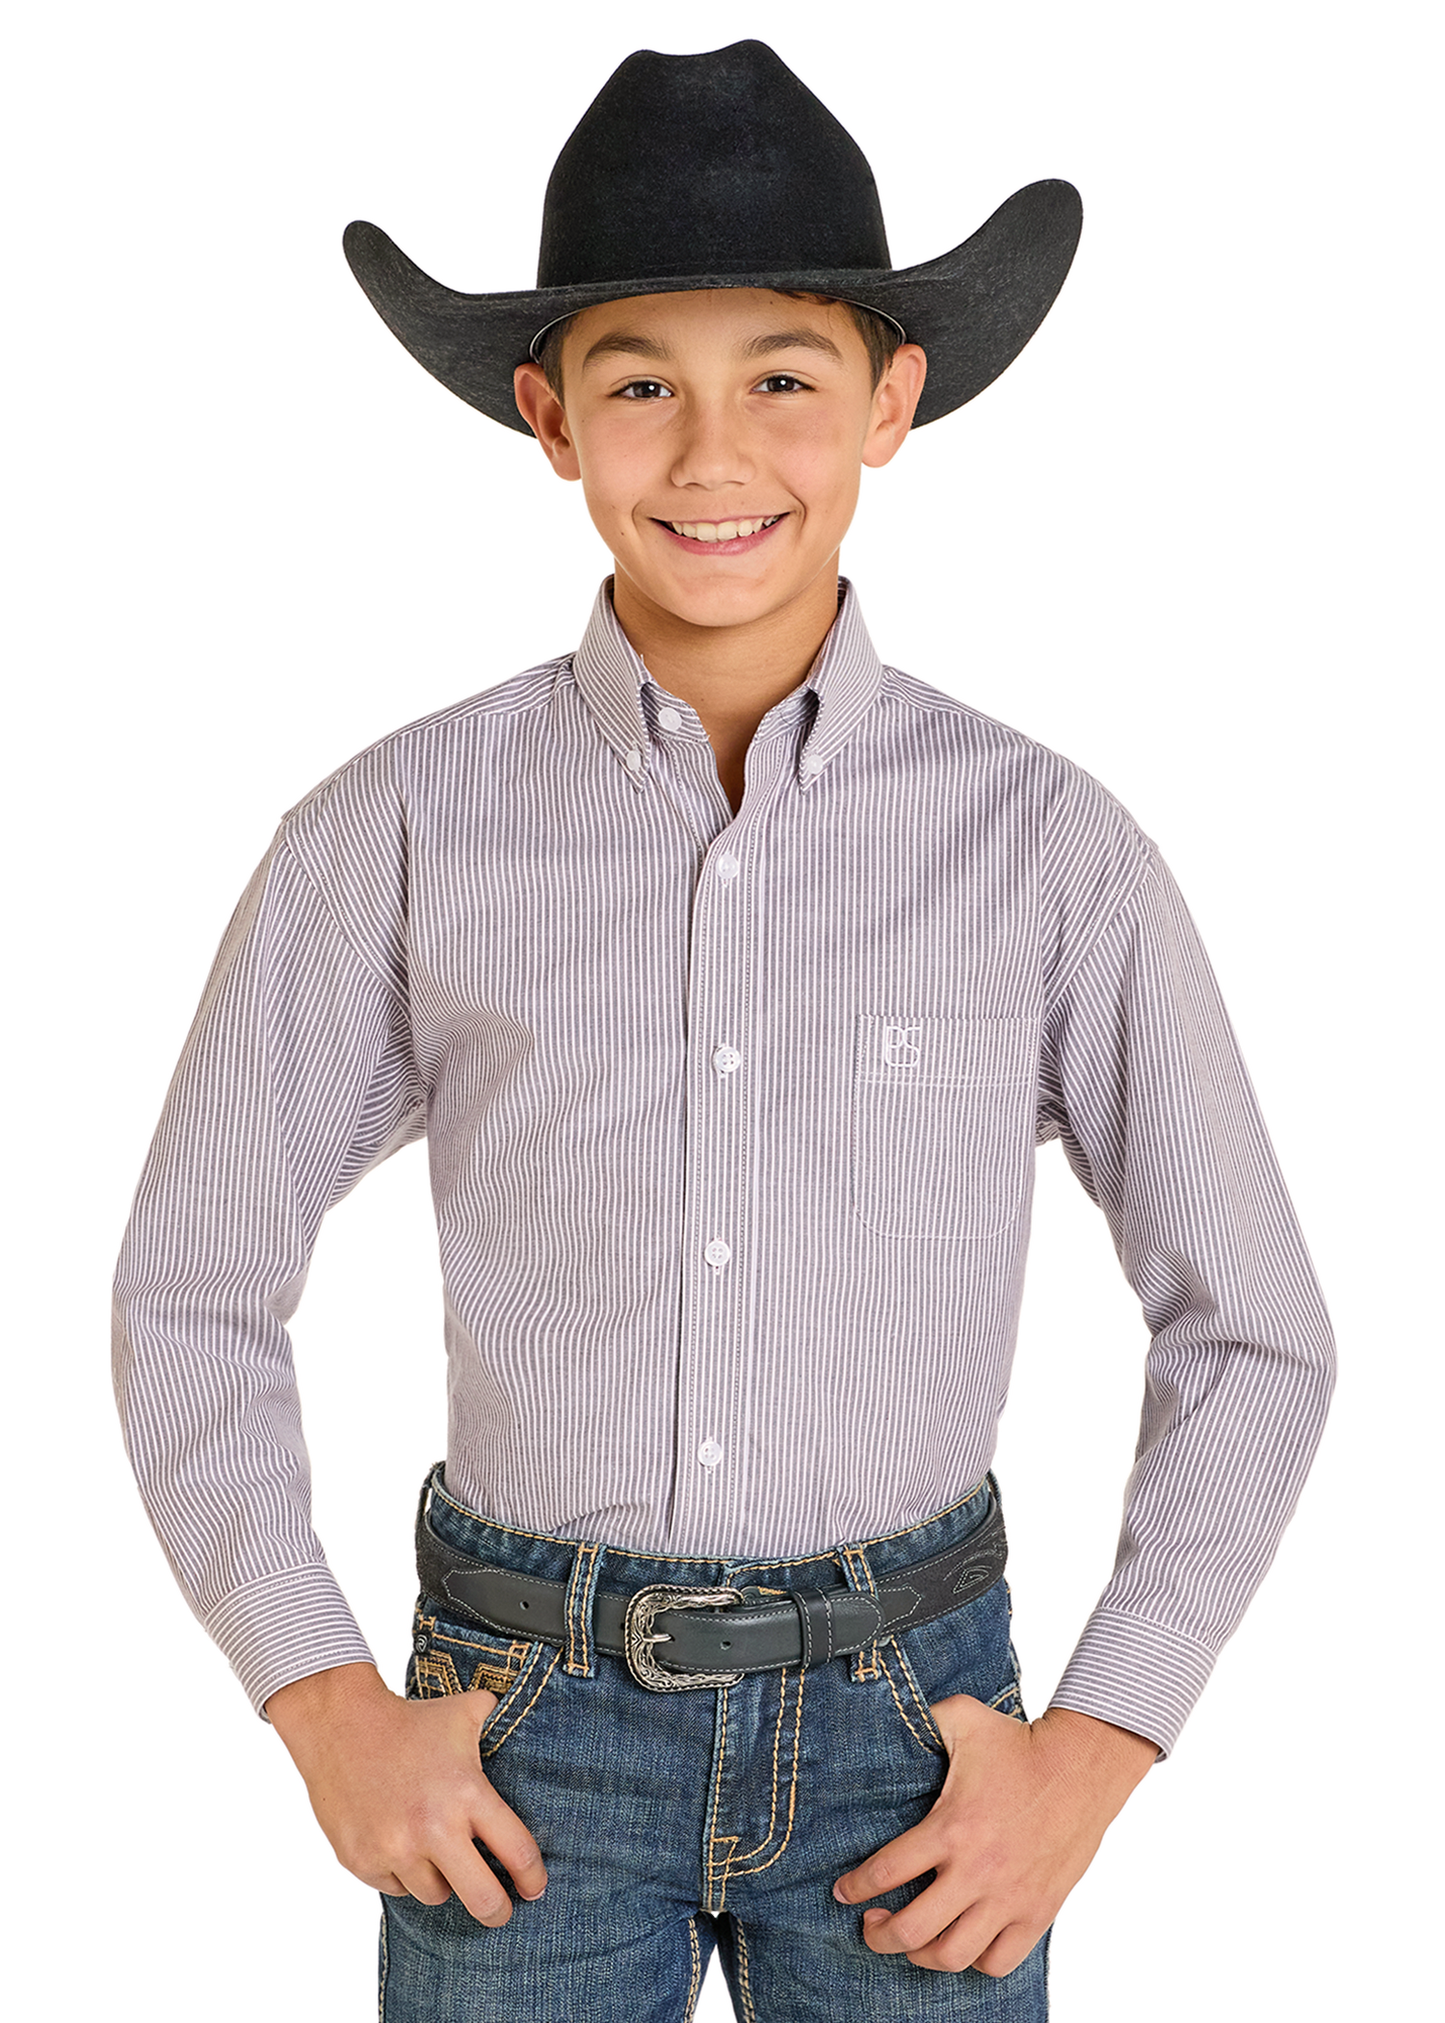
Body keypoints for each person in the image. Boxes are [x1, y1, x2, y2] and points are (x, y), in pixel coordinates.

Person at [108, 36, 1338, 2022]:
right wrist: (324, 1699)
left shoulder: (1046, 845)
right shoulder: (393, 831)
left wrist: (1097, 1748)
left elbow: (1254, 1329)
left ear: (889, 400)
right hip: (514, 1737)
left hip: (915, 1741)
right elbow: (189, 1289)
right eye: (637, 386)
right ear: (545, 418)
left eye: (778, 376)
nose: (708, 456)